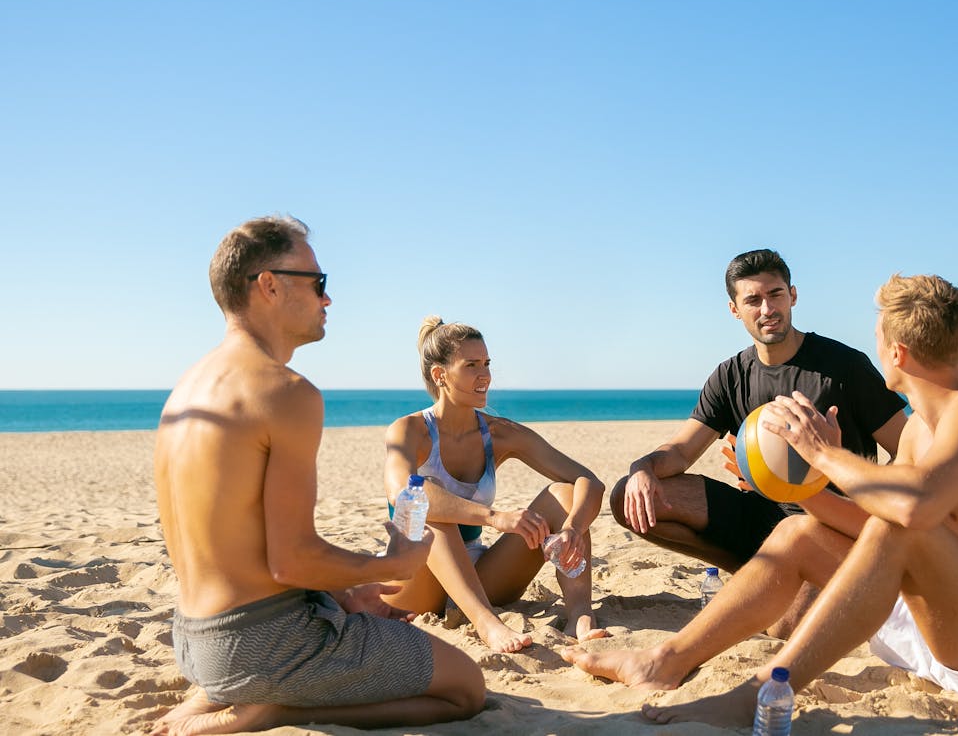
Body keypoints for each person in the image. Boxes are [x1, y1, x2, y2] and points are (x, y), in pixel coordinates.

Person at [564, 274, 958, 727]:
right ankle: (665, 661)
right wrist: (798, 490)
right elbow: (884, 528)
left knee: (899, 526)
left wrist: (822, 455)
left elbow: (912, 514)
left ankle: (757, 695)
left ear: (896, 353)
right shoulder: (916, 435)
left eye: (879, 333)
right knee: (796, 531)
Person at [152, 216, 484, 736]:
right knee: (467, 688)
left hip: (195, 640)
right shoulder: (285, 392)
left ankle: (239, 693)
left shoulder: (187, 388)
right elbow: (291, 561)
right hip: (265, 645)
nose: (327, 298)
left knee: (358, 615)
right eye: (318, 281)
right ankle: (271, 710)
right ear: (269, 285)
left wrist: (344, 595)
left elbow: (246, 545)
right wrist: (387, 565)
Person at [613, 249, 906, 633]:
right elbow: (683, 450)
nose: (767, 308)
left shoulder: (844, 367)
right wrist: (643, 469)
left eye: (776, 294)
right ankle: (754, 569)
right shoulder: (730, 374)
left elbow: (905, 449)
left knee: (783, 628)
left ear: (793, 296)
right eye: (753, 299)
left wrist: (864, 506)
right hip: (759, 515)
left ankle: (796, 575)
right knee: (628, 498)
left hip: (827, 523)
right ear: (735, 310)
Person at [380, 316, 608, 653]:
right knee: (423, 498)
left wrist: (573, 526)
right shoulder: (409, 430)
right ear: (440, 375)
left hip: (479, 578)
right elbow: (402, 496)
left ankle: (579, 615)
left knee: (565, 494)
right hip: (414, 580)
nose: (485, 374)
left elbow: (587, 480)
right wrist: (494, 517)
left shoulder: (500, 433)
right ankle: (488, 624)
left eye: (487, 363)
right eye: (471, 365)